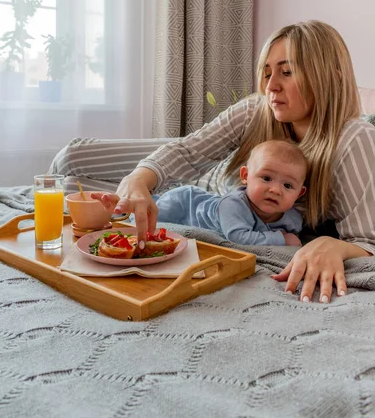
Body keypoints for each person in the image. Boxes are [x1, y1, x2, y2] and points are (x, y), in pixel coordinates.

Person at [50, 20, 375, 304]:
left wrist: (333, 246)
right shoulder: (255, 110)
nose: (270, 86)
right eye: (267, 72)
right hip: (202, 177)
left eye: (287, 72)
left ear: (329, 78)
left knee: (65, 189)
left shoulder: (354, 139)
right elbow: (189, 153)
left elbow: (366, 240)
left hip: (207, 204)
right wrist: (139, 180)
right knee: (71, 157)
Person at [151, 139, 307, 247]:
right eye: (266, 178)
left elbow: (294, 239)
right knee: (147, 218)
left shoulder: (293, 219)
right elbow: (237, 237)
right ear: (245, 176)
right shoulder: (234, 204)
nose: (275, 190)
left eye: (287, 185)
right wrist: (281, 239)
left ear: (299, 193)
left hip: (193, 203)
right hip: (185, 204)